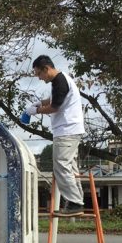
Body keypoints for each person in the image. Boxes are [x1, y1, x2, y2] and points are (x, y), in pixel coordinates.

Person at [25, 55, 85, 216]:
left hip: (66, 130)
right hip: (70, 130)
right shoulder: (61, 80)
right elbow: (54, 99)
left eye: (39, 74)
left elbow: (55, 107)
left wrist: (36, 110)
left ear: (46, 69)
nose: (39, 78)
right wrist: (40, 103)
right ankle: (77, 201)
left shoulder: (59, 81)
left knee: (61, 165)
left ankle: (75, 203)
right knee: (70, 166)